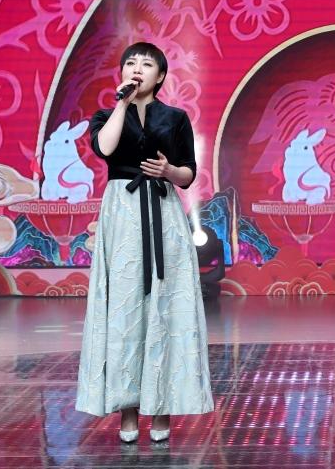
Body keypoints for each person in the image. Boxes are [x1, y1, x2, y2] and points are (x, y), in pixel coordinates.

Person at [76, 42, 213, 443]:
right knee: (125, 309)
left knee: (165, 306)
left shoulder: (175, 118)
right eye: (131, 63)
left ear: (161, 76)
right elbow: (105, 149)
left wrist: (169, 170)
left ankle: (162, 406)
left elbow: (188, 174)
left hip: (163, 212)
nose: (137, 68)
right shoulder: (105, 115)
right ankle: (128, 408)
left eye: (147, 64)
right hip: (122, 212)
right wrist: (122, 102)